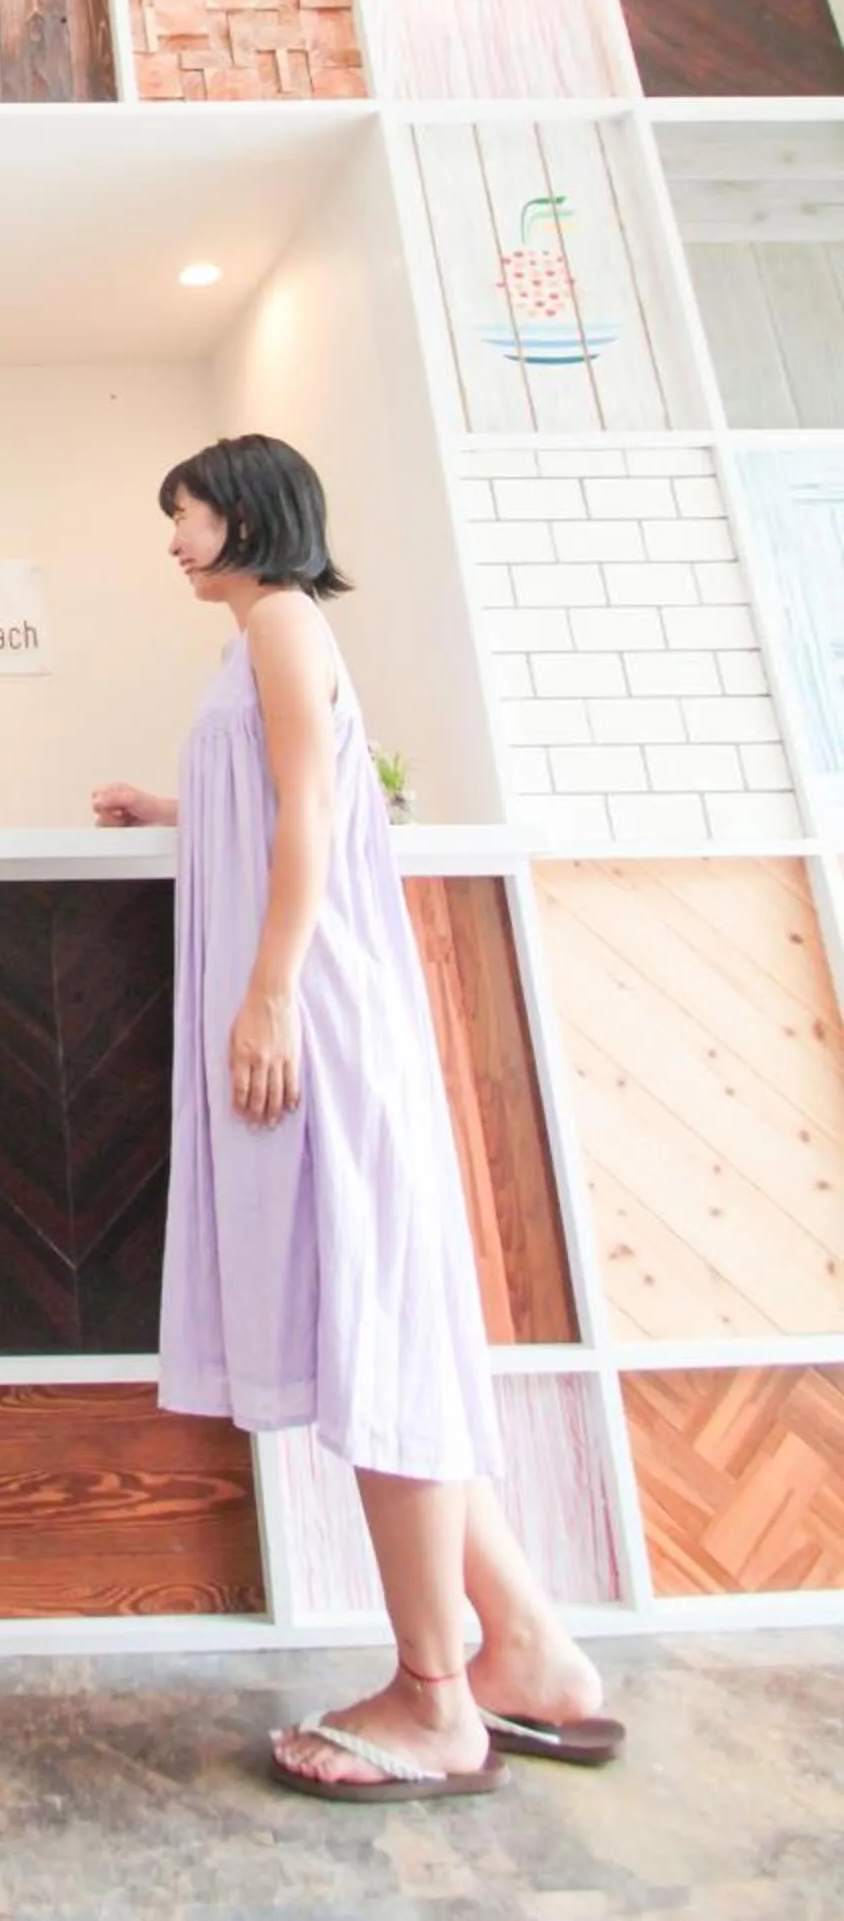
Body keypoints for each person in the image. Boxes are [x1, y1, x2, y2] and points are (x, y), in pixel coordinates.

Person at [94, 434, 621, 1805]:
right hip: (324, 1012)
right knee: (381, 1334)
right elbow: (277, 787)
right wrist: (175, 805)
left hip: (318, 1018)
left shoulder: (278, 617)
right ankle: (536, 1657)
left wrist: (267, 998)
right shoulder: (266, 638)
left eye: (186, 511)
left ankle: (436, 1700)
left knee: (378, 1340)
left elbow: (317, 809)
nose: (173, 540)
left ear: (249, 515)